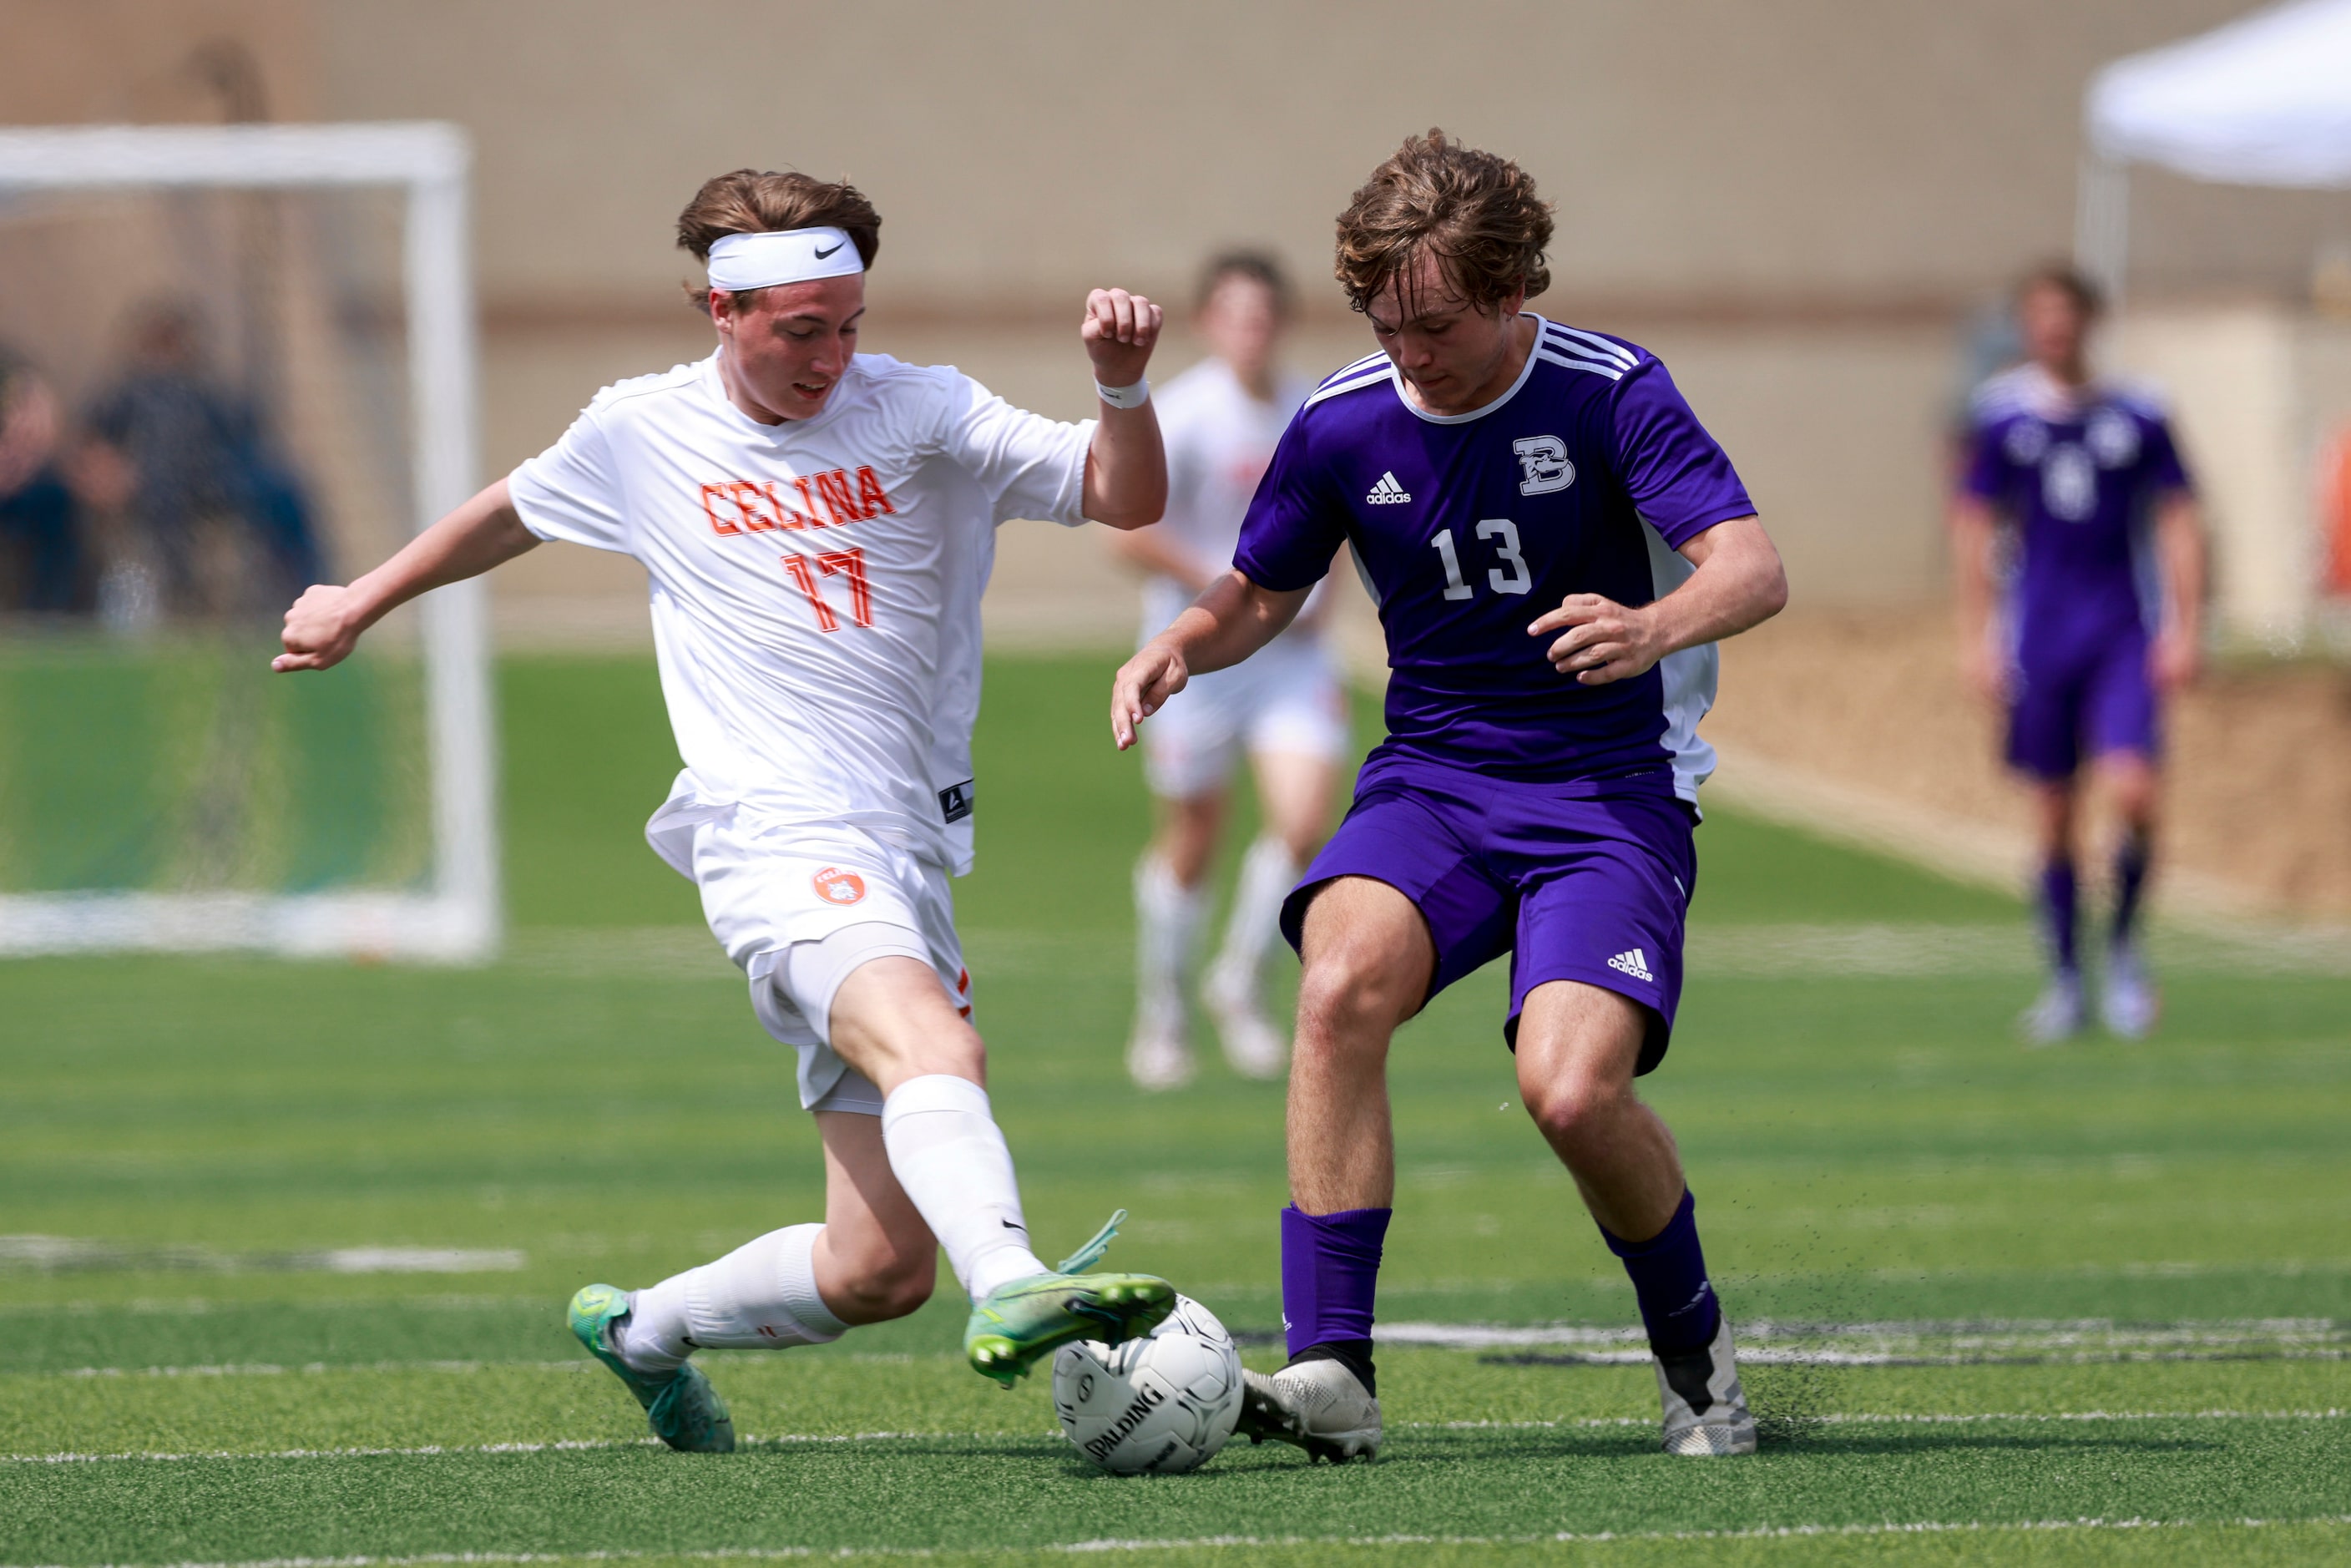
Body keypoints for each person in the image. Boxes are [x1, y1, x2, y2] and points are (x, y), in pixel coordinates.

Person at [276, 168, 1179, 1453]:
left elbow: (1126, 493)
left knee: (875, 1268)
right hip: (774, 835)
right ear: (722, 309)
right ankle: (1017, 1280)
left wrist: (1123, 384)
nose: (832, 356)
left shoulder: (920, 408)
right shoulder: (640, 431)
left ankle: (642, 1327)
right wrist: (360, 598)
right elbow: (507, 516)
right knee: (940, 1051)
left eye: (849, 322)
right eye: (801, 329)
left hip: (905, 848)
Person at [1112, 130, 1788, 1461]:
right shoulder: (1341, 418)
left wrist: (1653, 626)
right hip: (1435, 778)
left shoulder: (1611, 391)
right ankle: (1334, 1375)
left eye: (1438, 323)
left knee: (1572, 1091)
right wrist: (1182, 641)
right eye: (1386, 319)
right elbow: (1260, 588)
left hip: (1610, 789)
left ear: (1513, 287)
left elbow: (1753, 566)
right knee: (1336, 980)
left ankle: (1698, 1365)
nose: (1411, 348)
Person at [1951, 266, 2205, 1044]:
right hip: (2041, 638)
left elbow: (2178, 515)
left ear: (2090, 323)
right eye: (2041, 317)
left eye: (2067, 316)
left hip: (2123, 631)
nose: (2055, 330)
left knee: (2133, 795)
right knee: (2055, 817)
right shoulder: (2002, 417)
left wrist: (2187, 626)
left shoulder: (2141, 411)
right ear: (2028, 327)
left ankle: (2125, 948)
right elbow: (1973, 524)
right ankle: (2066, 978)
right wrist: (1976, 635)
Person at [1110, 250, 1345, 1090]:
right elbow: (1125, 531)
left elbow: (1342, 510)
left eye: (1265, 315)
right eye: (1235, 315)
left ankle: (1238, 982)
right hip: (1197, 656)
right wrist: (1225, 584)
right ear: (1209, 322)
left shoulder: (1311, 408)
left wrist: (1319, 595)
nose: (1252, 330)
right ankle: (1163, 1008)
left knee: (1304, 823)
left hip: (1292, 658)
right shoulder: (1183, 415)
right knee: (1193, 839)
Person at [82, 300, 324, 618]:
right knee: (167, 515)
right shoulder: (129, 394)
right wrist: (112, 478)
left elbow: (244, 436)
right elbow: (95, 447)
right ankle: (183, 597)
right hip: (156, 489)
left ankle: (305, 590)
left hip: (214, 482)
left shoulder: (203, 392)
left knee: (284, 492)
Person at [0, 347, 94, 615]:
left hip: (27, 488)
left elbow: (40, 437)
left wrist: (16, 470)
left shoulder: (21, 379)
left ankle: (46, 614)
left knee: (57, 503)